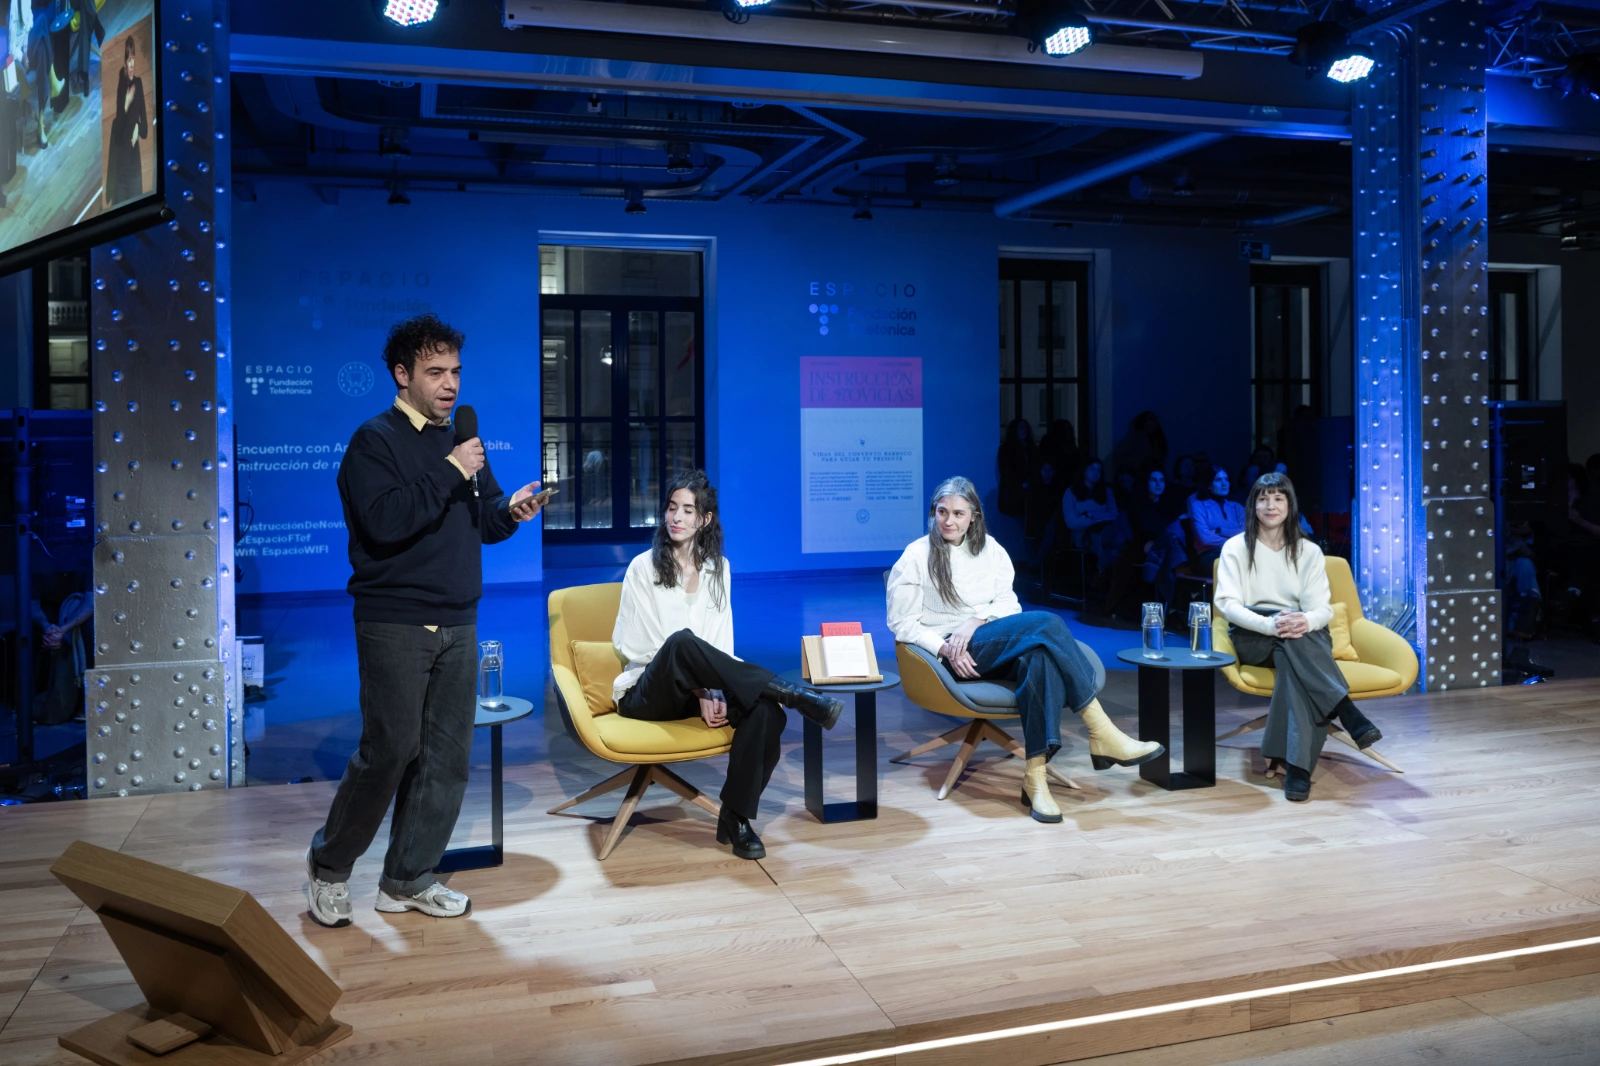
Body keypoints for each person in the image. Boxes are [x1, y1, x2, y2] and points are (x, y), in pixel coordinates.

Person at [306, 314, 545, 928]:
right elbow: (385, 522)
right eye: (435, 372)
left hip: (459, 621)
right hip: (395, 621)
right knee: (389, 751)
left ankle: (407, 878)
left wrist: (512, 509)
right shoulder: (374, 441)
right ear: (402, 374)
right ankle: (330, 868)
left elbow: (483, 523)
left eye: (455, 371)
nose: (449, 384)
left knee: (445, 758)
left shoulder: (462, 442)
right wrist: (451, 469)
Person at [887, 477, 1163, 823]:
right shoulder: (917, 555)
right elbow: (902, 623)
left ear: (974, 516)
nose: (949, 521)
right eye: (942, 512)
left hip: (986, 637)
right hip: (949, 653)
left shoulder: (991, 549)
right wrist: (945, 647)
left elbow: (1008, 603)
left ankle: (1035, 777)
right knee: (1047, 624)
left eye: (958, 513)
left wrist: (975, 620)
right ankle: (1101, 729)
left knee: (1040, 657)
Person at [612, 470, 844, 860]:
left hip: (700, 688)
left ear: (705, 519)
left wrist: (716, 688)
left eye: (688, 510)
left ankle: (735, 817)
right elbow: (643, 645)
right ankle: (794, 693)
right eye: (672, 508)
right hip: (648, 690)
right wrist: (703, 688)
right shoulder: (642, 567)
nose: (677, 518)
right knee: (681, 641)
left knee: (767, 712)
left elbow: (722, 644)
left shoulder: (718, 568)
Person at [1214, 473, 1383, 802]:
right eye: (1263, 498)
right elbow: (1227, 604)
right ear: (1253, 505)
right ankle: (1344, 708)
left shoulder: (1307, 551)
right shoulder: (1236, 547)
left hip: (1299, 632)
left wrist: (1303, 621)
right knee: (1295, 645)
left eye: (1278, 498)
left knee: (1295, 667)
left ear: (1290, 505)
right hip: (1254, 632)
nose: (1270, 505)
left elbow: (1322, 608)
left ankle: (1297, 767)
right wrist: (1269, 625)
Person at [105, 34, 148, 205]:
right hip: (121, 170)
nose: (131, 64)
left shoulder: (139, 83)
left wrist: (137, 126)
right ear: (125, 62)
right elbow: (120, 129)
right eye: (128, 60)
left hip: (134, 169)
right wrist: (126, 103)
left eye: (133, 59)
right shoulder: (121, 86)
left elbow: (144, 131)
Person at [1062, 457, 1120, 569]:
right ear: (1084, 470)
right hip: (1084, 533)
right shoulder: (1071, 492)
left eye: (1099, 470)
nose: (1096, 472)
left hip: (1106, 528)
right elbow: (1071, 522)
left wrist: (1091, 515)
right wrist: (1091, 520)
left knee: (1117, 540)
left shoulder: (1106, 491)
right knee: (1101, 541)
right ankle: (1105, 574)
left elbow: (1114, 514)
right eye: (1092, 469)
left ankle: (1107, 575)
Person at [1187, 465, 1246, 570]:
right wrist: (1234, 536)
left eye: (1226, 479)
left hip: (1237, 551)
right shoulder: (1198, 506)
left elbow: (1245, 535)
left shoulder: (1238, 508)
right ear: (1209, 485)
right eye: (1218, 480)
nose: (1224, 484)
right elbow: (1206, 539)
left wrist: (1220, 530)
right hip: (1209, 555)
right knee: (1234, 564)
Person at [1110, 411, 1167, 482]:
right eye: (1151, 419)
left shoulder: (1158, 443)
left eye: (1155, 419)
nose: (1155, 421)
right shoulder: (1132, 443)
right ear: (1143, 423)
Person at [997, 418, 1037, 517]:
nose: (1024, 430)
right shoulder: (1006, 449)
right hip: (1014, 493)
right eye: (1021, 428)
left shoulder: (1032, 448)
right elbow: (1006, 471)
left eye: (1026, 428)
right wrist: (1022, 483)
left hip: (1030, 492)